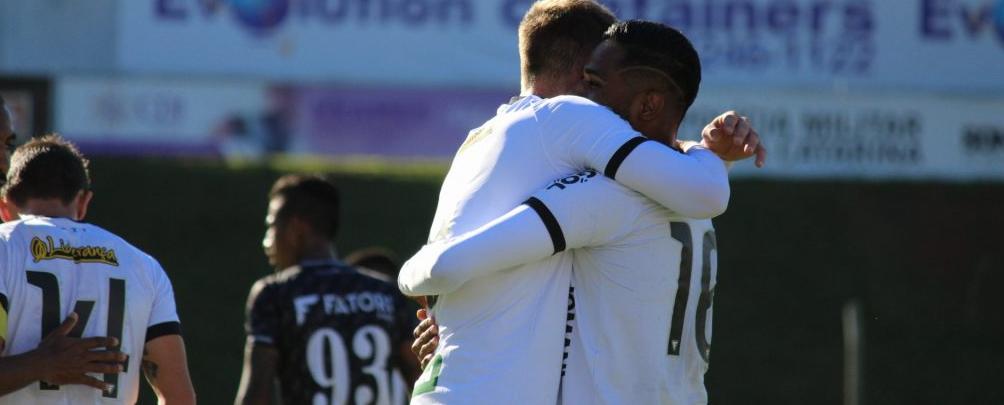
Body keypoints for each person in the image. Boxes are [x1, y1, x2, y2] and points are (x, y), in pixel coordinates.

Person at [397, 1, 762, 403]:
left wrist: (420, 280)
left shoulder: (492, 145)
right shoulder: (674, 185)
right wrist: (712, 156)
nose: (590, 95)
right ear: (577, 70)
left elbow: (451, 264)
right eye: (589, 81)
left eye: (598, 83)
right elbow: (703, 189)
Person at [0, 135, 196, 404]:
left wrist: (40, 364)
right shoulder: (144, 266)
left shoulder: (4, 246)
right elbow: (179, 397)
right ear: (83, 201)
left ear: (4, 204)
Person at [235, 175, 419, 405]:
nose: (267, 241)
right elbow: (421, 380)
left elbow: (257, 394)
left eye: (272, 226)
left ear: (296, 228)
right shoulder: (385, 293)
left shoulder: (275, 294)